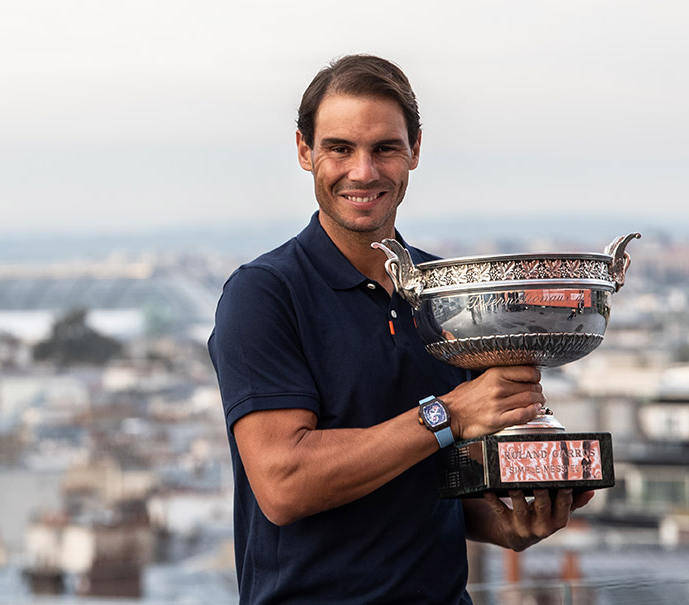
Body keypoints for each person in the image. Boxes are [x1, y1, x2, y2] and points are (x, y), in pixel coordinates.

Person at [208, 54, 593, 604]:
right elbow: (283, 484)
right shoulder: (265, 295)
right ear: (304, 151)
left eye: (384, 148)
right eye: (340, 148)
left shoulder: (449, 293)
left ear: (414, 150)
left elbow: (435, 479)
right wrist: (451, 412)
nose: (362, 172)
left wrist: (505, 523)